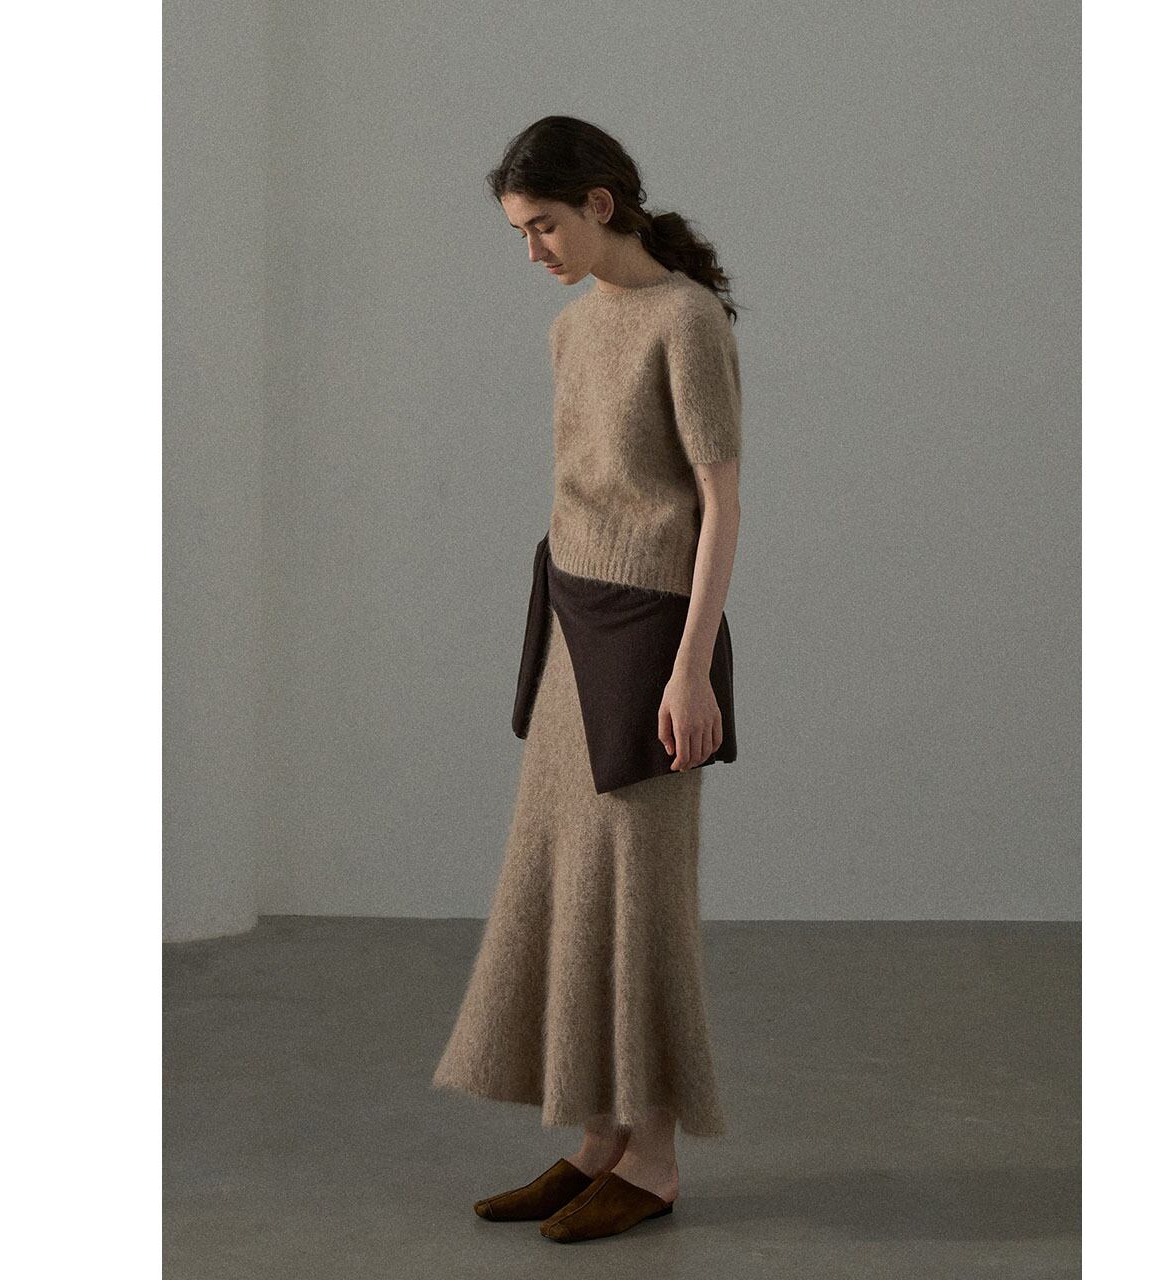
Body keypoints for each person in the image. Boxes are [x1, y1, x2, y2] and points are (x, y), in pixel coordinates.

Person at [431, 115, 744, 1243]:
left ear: (600, 204)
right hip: (572, 622)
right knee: (568, 883)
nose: (532, 252)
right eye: (519, 233)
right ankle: (597, 1142)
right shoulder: (573, 329)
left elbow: (720, 505)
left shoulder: (686, 320)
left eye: (543, 226)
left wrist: (691, 670)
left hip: (653, 636)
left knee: (640, 897)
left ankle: (653, 1162)